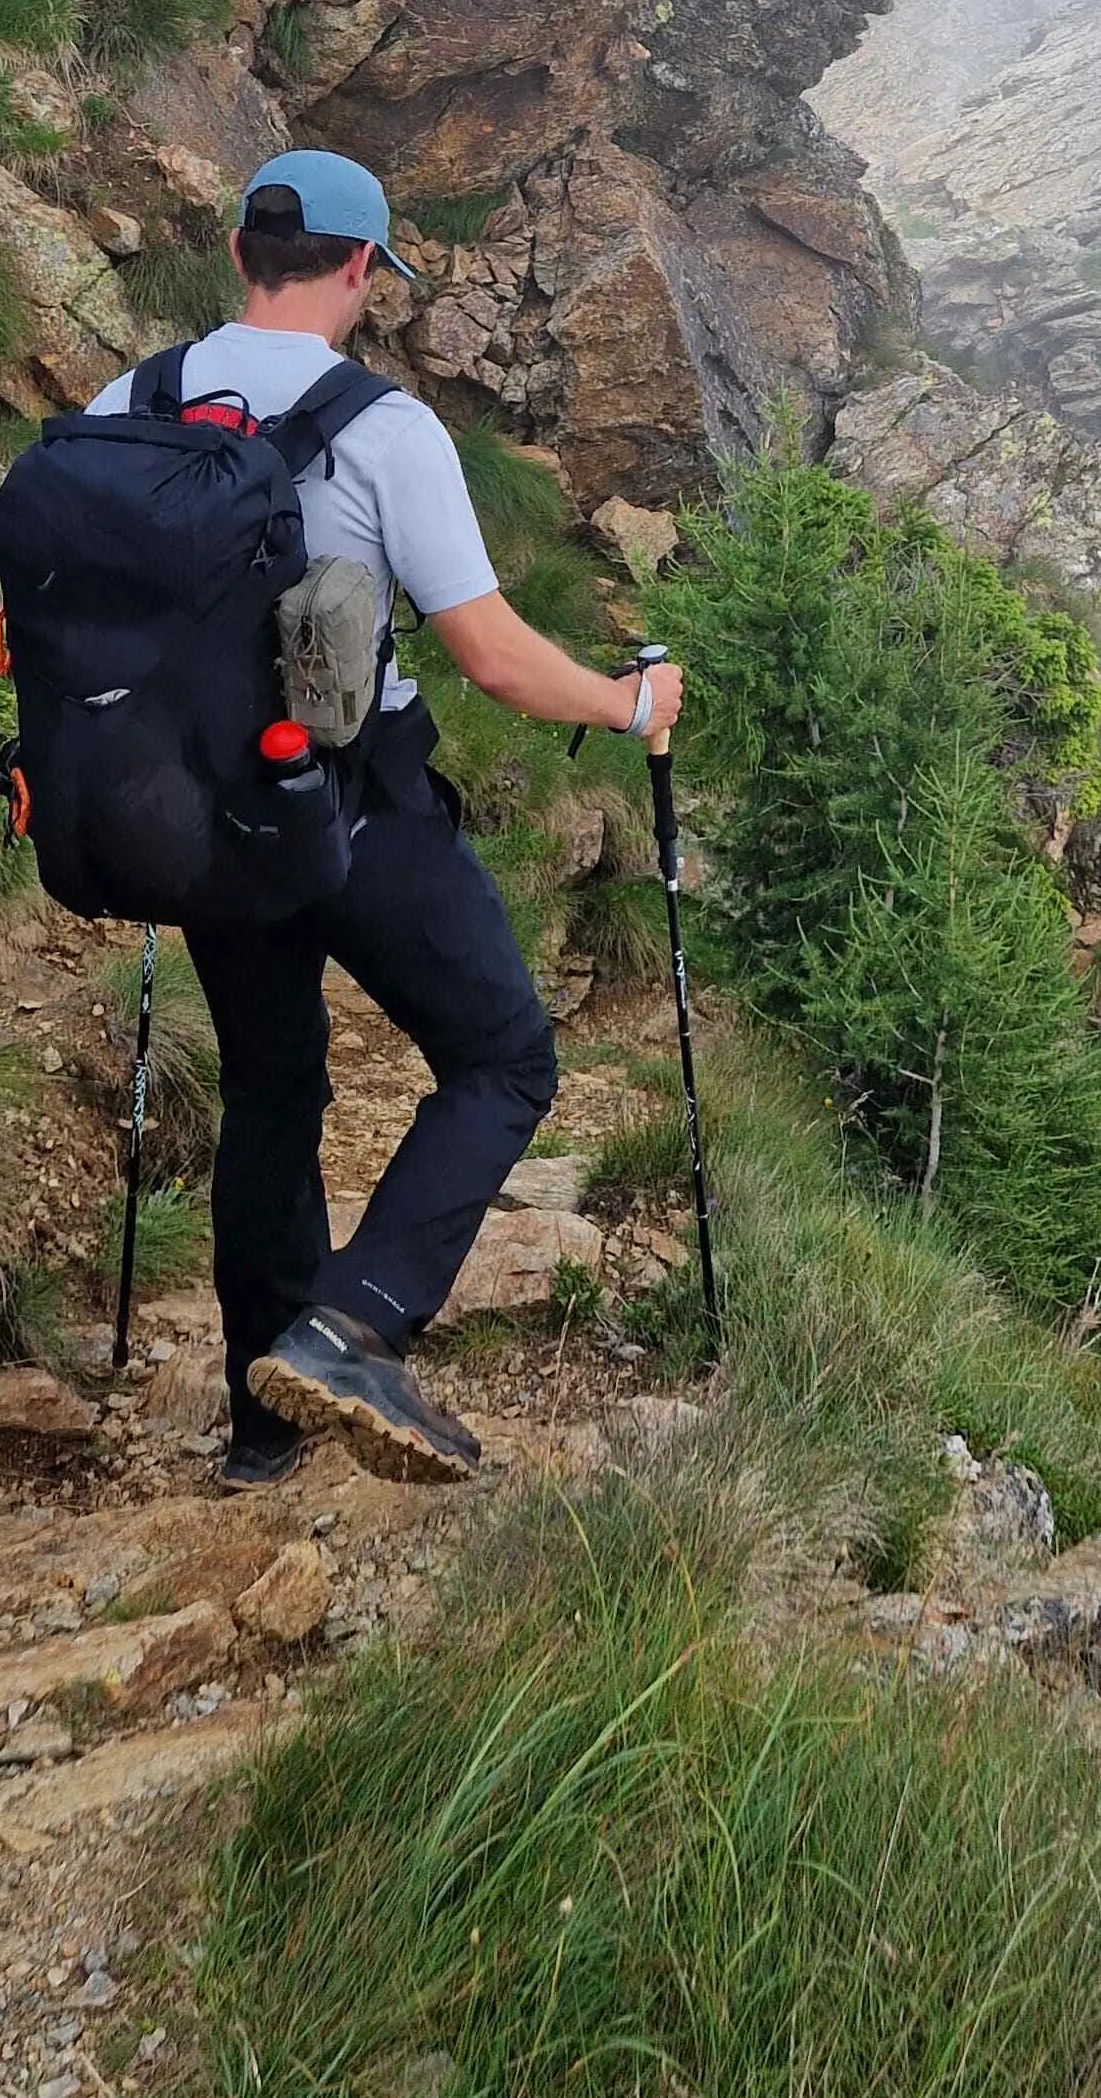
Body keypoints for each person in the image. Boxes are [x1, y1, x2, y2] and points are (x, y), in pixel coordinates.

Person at [88, 147, 682, 1488]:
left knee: (273, 1091)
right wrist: (628, 705)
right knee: (502, 1058)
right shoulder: (383, 428)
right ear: (360, 269)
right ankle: (352, 1325)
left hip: (196, 815)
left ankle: (261, 1432)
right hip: (356, 808)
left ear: (243, 255)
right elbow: (492, 658)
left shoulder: (131, 397)